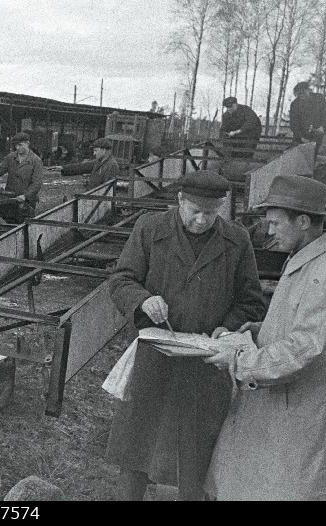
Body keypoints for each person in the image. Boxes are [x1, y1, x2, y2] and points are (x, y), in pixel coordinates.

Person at [204, 175, 326, 500]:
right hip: (297, 407)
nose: (269, 232)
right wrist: (259, 330)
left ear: (304, 221)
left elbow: (302, 351)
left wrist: (238, 359)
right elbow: (303, 327)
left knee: (297, 488)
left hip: (311, 414)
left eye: (276, 223)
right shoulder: (312, 258)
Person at [105, 170, 265, 501]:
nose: (202, 219)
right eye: (195, 210)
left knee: (195, 454)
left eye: (211, 212)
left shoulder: (237, 241)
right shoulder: (150, 229)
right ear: (180, 200)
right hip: (155, 357)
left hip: (205, 364)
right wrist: (143, 300)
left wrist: (227, 328)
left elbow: (250, 301)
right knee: (137, 447)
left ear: (222, 206)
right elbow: (121, 281)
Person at [0, 132, 44, 223]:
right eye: (16, 145)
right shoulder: (11, 157)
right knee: (9, 223)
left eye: (20, 145)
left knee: (24, 225)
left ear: (27, 143)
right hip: (10, 199)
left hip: (27, 202)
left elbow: (37, 183)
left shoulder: (36, 161)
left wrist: (25, 196)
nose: (17, 148)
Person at [289, 81, 326, 156]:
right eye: (299, 94)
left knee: (311, 157)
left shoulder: (319, 99)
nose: (301, 96)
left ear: (308, 90)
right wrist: (301, 137)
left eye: (303, 93)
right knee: (297, 157)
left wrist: (323, 127)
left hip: (316, 135)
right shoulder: (295, 104)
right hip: (300, 137)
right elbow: (293, 123)